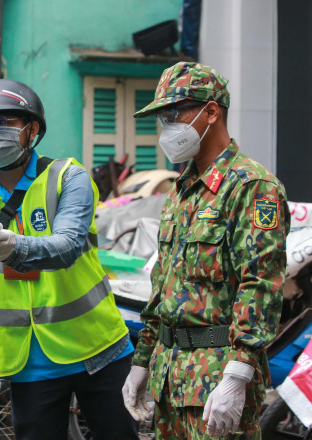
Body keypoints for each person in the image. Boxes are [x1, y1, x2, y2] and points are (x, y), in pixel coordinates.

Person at [0, 78, 139, 439]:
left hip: (97, 349)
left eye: (2, 121)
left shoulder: (69, 177)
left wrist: (10, 247)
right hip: (27, 362)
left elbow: (66, 246)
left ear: (31, 129)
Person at [122, 62, 290, 439]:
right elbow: (163, 285)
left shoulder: (252, 187)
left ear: (211, 111)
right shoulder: (182, 189)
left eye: (173, 113)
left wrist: (239, 372)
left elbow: (260, 283)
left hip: (217, 379)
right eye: (162, 117)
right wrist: (143, 361)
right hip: (169, 377)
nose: (167, 126)